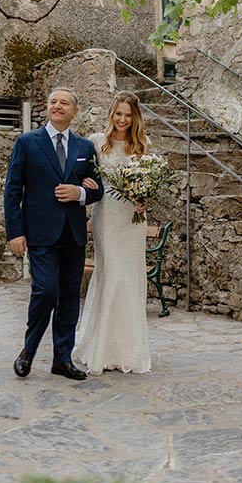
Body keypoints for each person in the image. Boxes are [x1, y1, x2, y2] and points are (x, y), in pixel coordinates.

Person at [4, 87, 103, 381]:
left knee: (70, 297)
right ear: (47, 107)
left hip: (72, 234)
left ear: (75, 111)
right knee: (45, 291)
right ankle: (28, 351)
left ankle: (62, 359)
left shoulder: (85, 148)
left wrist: (80, 192)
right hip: (40, 233)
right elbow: (12, 189)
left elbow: (97, 189)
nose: (57, 106)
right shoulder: (27, 142)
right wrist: (15, 232)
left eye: (64, 103)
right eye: (53, 102)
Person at [73, 90, 151, 375]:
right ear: (111, 114)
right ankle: (99, 347)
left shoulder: (143, 145)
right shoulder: (96, 142)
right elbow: (82, 172)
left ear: (135, 118)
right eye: (118, 114)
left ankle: (128, 349)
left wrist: (144, 200)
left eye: (128, 116)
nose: (122, 119)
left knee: (129, 278)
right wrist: (83, 178)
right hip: (106, 217)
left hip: (132, 220)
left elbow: (146, 183)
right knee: (110, 275)